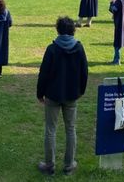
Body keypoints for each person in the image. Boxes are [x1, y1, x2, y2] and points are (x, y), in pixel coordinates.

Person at [36, 17, 88, 176]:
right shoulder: (77, 48)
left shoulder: (52, 49)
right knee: (70, 129)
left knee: (50, 130)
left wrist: (40, 93)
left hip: (53, 94)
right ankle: (69, 164)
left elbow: (43, 73)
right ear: (73, 30)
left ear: (58, 29)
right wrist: (81, 91)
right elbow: (84, 72)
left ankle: (50, 164)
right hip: (71, 94)